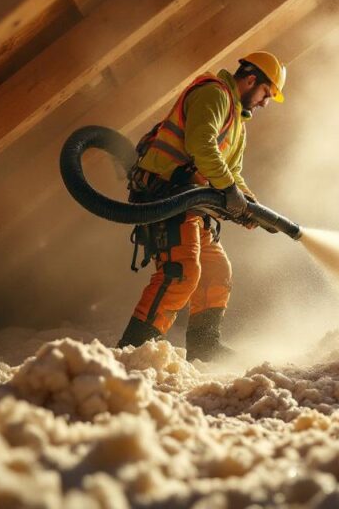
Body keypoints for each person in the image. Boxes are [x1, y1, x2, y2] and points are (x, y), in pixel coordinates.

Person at [116, 52, 286, 360]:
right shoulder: (214, 94)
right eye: (266, 93)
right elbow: (201, 145)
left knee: (216, 271)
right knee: (180, 272)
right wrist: (230, 191)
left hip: (191, 203)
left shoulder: (237, 122)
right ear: (251, 80)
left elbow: (233, 173)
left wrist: (251, 206)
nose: (265, 103)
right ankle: (132, 352)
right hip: (165, 197)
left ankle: (204, 346)